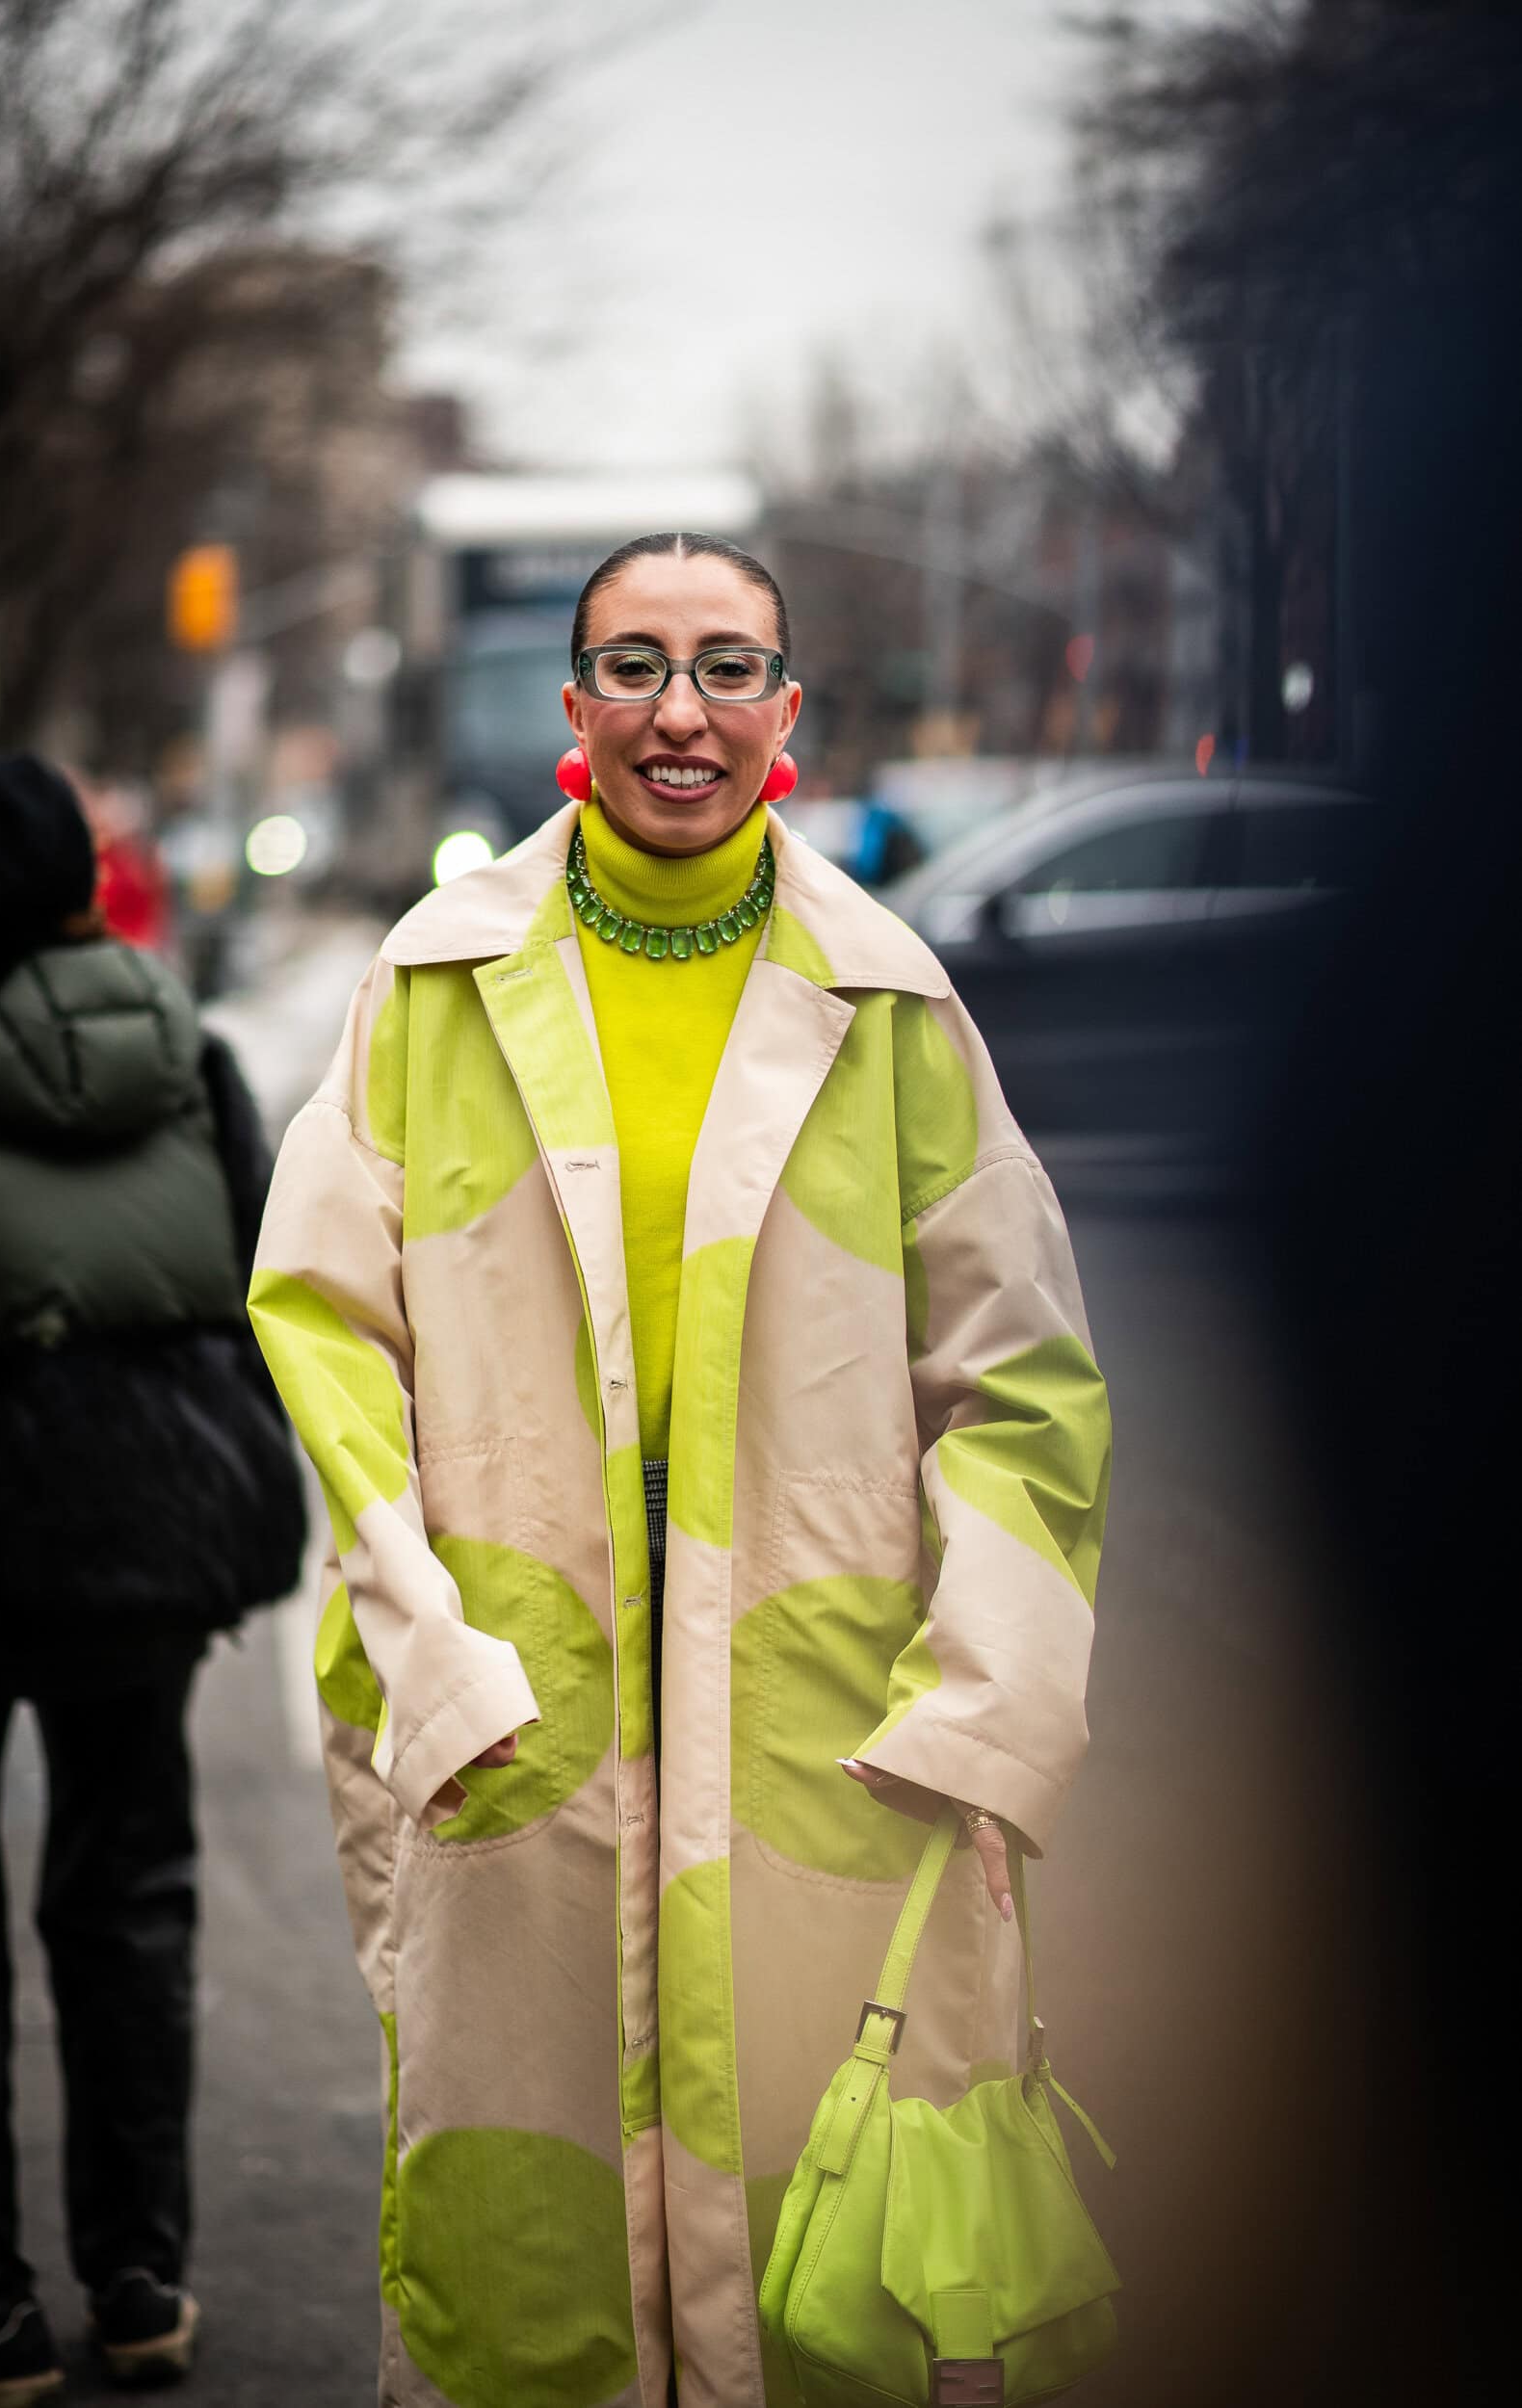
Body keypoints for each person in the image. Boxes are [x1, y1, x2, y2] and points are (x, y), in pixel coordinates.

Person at [249, 533, 1111, 2408]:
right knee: (518, 2236)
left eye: (728, 668)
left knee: (801, 2254)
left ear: (789, 712)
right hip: (510, 1720)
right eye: (634, 667)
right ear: (574, 711)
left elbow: (1027, 1378)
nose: (681, 712)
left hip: (825, 1741)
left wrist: (983, 1713)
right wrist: (422, 1633)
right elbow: (321, 1319)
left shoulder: (892, 1005)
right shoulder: (437, 979)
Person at [0, 755, 305, 2403]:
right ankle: (139, 2280)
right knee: (128, 1883)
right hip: (138, 1530)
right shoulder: (189, 1058)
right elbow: (266, 1286)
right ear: (87, 882)